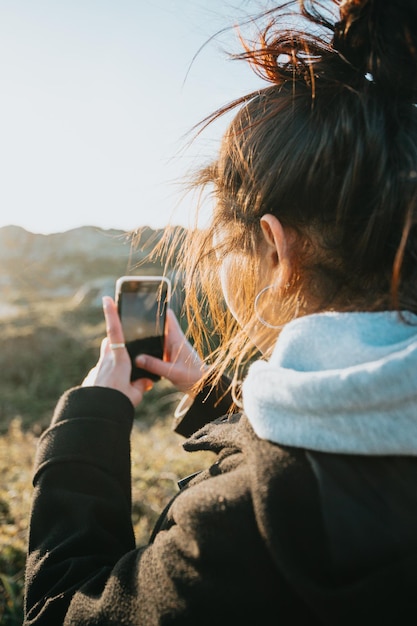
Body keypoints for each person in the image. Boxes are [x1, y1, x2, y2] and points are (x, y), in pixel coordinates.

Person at [24, 1, 417, 624]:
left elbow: (65, 608)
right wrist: (216, 392)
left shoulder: (238, 532)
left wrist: (89, 423)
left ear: (276, 248)